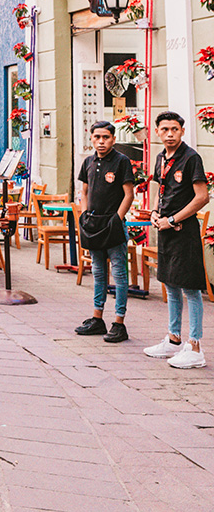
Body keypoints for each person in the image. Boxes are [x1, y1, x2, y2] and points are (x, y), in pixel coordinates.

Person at [143, 112, 209, 368]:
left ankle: (195, 347)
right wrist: (155, 213)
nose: (169, 134)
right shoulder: (161, 158)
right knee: (170, 283)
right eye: (164, 129)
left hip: (184, 231)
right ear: (157, 132)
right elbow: (161, 189)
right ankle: (173, 340)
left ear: (182, 131)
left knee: (190, 288)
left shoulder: (191, 158)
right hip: (166, 229)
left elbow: (202, 197)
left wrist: (173, 219)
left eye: (174, 129)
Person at [74, 121, 135, 342]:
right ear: (91, 138)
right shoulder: (88, 162)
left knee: (119, 275)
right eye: (97, 137)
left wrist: (117, 219)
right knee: (98, 273)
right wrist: (84, 215)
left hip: (113, 226)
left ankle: (119, 322)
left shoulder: (121, 161)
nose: (101, 141)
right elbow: (85, 190)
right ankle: (97, 318)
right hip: (93, 225)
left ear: (113, 138)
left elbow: (128, 194)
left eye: (106, 137)